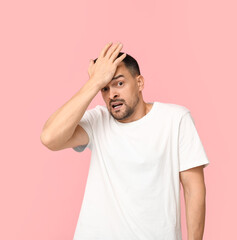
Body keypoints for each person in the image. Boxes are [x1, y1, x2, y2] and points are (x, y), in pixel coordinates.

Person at [40, 42, 210, 240]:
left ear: (139, 83)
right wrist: (93, 82)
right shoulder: (97, 120)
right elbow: (49, 138)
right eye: (105, 88)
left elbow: (194, 191)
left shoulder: (175, 119)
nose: (112, 94)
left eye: (119, 83)